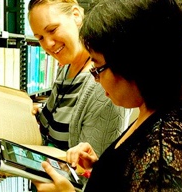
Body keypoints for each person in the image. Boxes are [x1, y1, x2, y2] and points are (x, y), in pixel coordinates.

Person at [32, 0, 182, 191]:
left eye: (98, 68)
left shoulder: (168, 148)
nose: (96, 80)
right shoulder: (154, 106)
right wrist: (101, 169)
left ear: (132, 63)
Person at [28, 0, 131, 157]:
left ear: (76, 16)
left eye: (52, 30)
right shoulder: (66, 68)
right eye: (40, 37)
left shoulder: (103, 84)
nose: (48, 44)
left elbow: (91, 173)